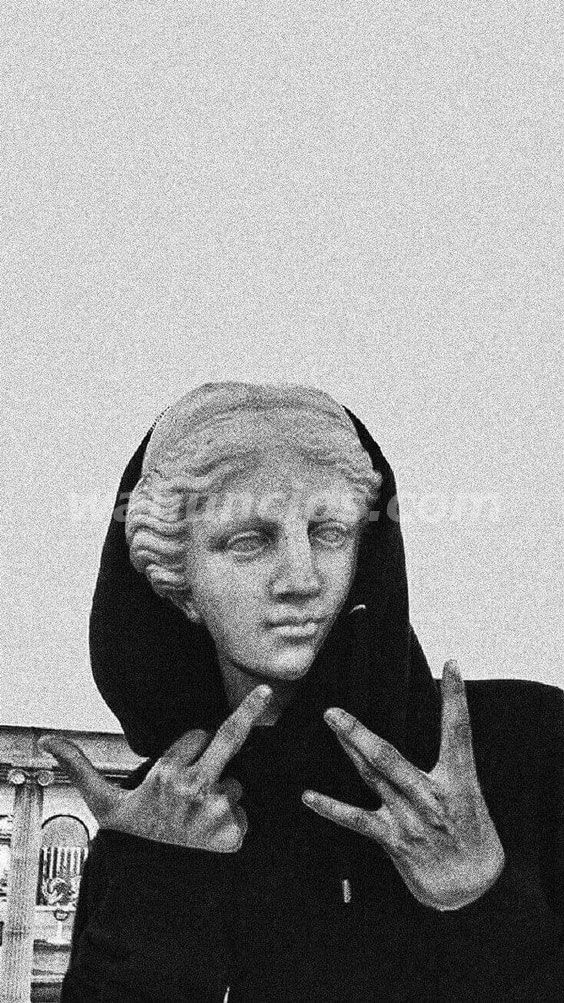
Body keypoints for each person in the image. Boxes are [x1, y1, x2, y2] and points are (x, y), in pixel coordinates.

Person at [39, 381, 563, 1001]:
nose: (301, 579)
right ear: (175, 578)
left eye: (329, 532)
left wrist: (483, 899)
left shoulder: (531, 744)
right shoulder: (158, 816)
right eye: (249, 540)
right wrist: (160, 884)